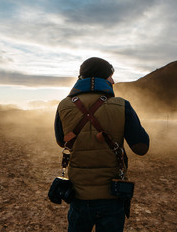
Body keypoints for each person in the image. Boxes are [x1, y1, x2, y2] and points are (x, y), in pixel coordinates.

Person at [54, 57, 149, 232]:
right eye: (111, 76)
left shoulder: (64, 105)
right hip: (112, 195)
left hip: (78, 195)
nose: (113, 80)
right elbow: (141, 147)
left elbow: (62, 142)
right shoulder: (122, 105)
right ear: (105, 78)